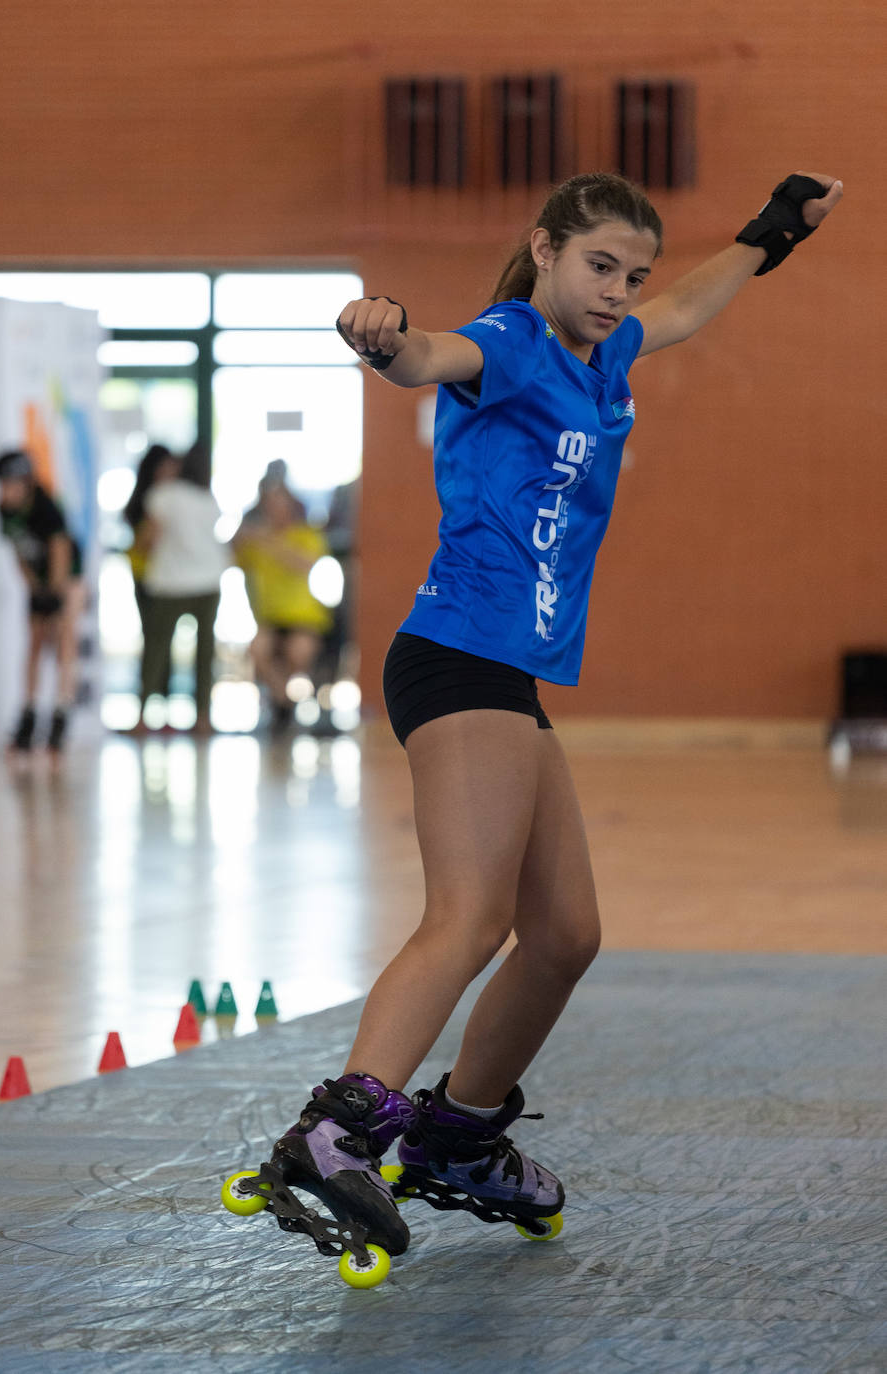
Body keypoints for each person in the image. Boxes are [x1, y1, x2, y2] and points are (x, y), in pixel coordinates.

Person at [264, 171, 843, 1261]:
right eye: (598, 266)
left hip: (508, 679)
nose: (620, 291)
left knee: (566, 934)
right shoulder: (514, 337)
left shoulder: (605, 352)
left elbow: (688, 306)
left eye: (631, 273)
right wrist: (378, 336)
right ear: (542, 250)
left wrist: (771, 237)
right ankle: (339, 1132)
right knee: (471, 918)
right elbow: (428, 357)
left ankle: (459, 1134)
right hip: (455, 656)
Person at [0, 449, 87, 755]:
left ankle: (61, 712)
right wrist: (34, 586)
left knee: (63, 639)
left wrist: (55, 592)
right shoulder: (5, 509)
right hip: (40, 579)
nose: (5, 491)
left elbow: (61, 549)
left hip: (67, 576)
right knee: (34, 642)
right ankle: (29, 711)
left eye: (10, 484)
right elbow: (18, 550)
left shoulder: (45, 505)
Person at [139, 442, 227, 737]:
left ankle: (142, 716)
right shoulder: (208, 500)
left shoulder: (162, 496)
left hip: (170, 583)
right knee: (205, 653)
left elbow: (150, 539)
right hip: (209, 580)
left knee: (157, 650)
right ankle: (203, 717)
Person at [233, 469, 332, 732]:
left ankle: (281, 704)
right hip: (269, 618)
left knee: (298, 652)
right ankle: (284, 701)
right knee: (257, 650)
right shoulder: (256, 539)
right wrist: (243, 534)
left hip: (303, 617)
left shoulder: (306, 535)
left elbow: (305, 564)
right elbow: (233, 558)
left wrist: (270, 543)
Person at [121, 443, 180, 714]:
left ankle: (164, 701)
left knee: (165, 641)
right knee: (153, 639)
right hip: (146, 575)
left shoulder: (173, 497)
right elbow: (145, 541)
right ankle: (147, 703)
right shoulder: (148, 499)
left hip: (168, 577)